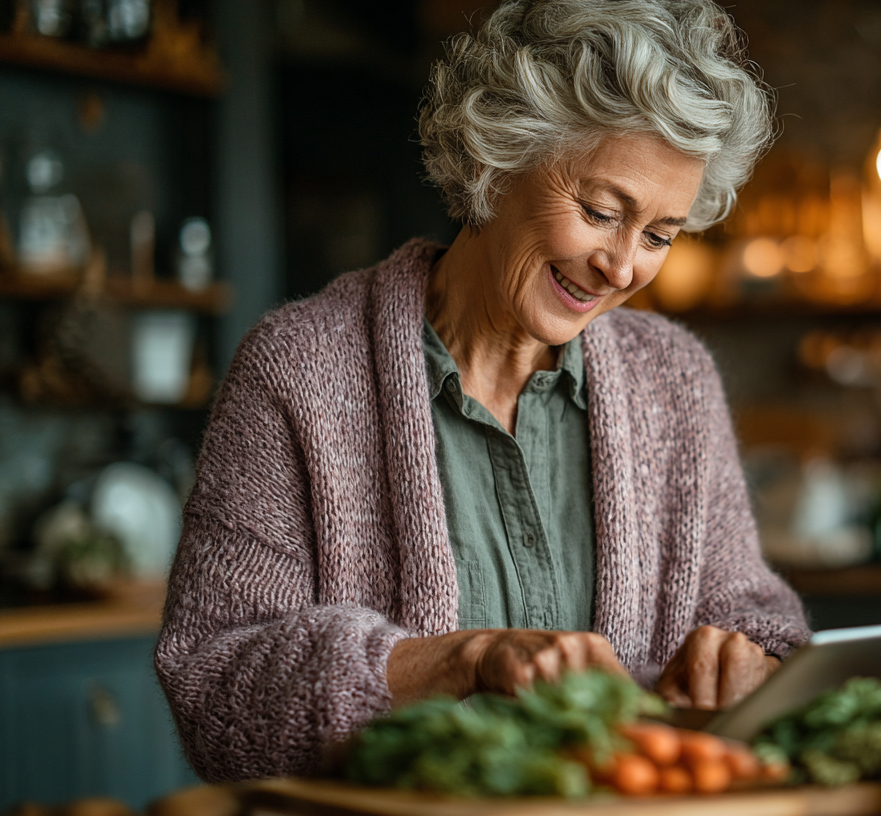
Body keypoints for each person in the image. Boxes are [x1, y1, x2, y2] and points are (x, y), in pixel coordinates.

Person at [155, 0, 809, 782]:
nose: (625, 266)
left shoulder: (675, 380)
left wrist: (751, 661)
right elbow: (214, 685)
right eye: (602, 212)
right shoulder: (297, 371)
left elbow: (754, 615)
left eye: (661, 234)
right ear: (495, 158)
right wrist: (460, 660)